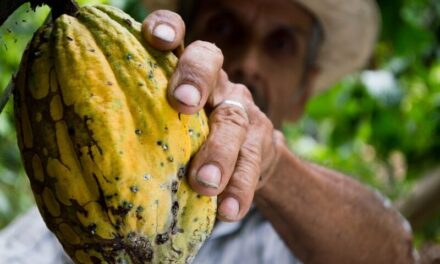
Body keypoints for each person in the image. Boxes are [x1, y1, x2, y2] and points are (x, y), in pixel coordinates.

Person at [0, 0, 417, 263]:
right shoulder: (74, 206)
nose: (249, 61)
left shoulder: (300, 236)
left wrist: (269, 166)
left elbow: (394, 253)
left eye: (280, 44)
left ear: (304, 91)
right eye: (225, 27)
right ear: (173, 41)